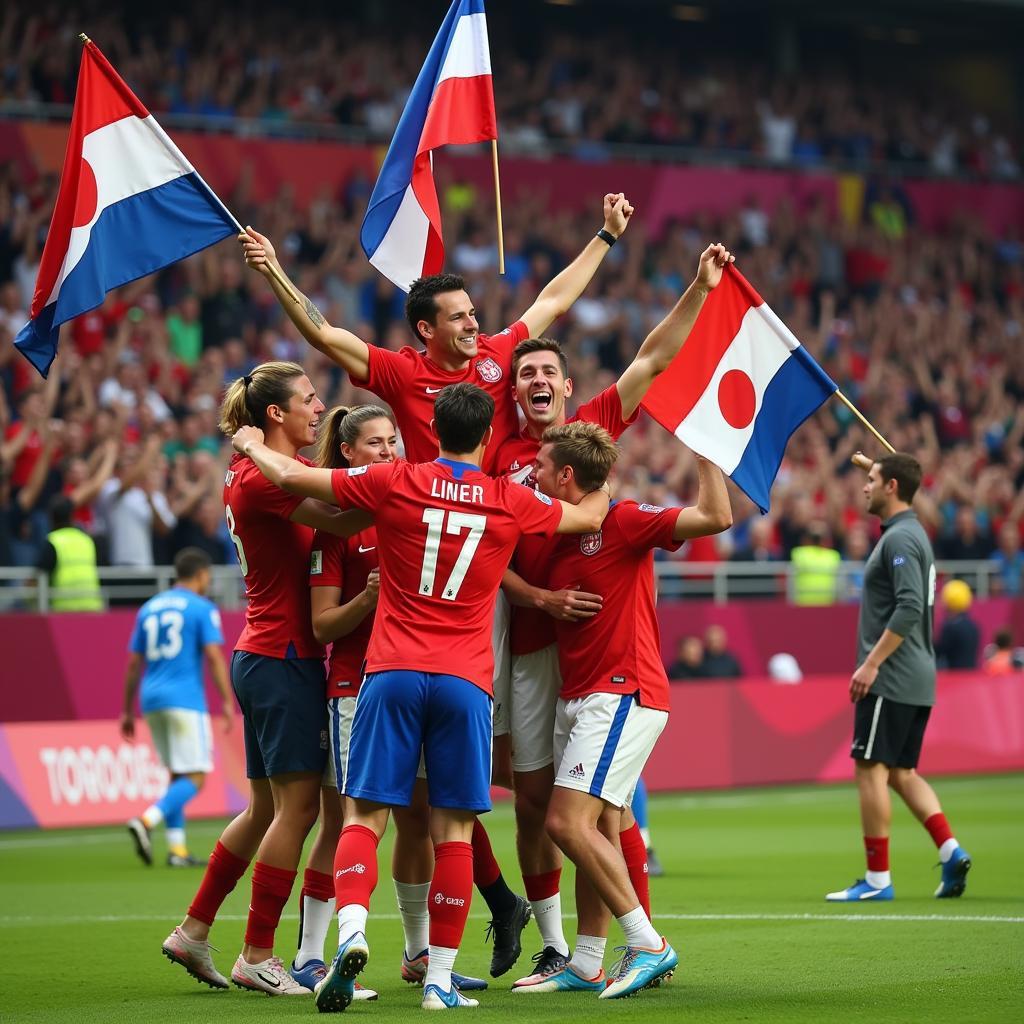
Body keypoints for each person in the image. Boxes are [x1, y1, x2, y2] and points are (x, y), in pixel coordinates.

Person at [240, 195, 634, 943]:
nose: (474, 323)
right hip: (418, 563)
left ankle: (537, 905)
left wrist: (606, 236)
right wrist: (275, 273)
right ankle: (449, 936)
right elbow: (325, 335)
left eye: (473, 313)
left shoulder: (495, 364)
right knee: (429, 791)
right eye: (458, 315)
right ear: (427, 329)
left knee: (477, 777)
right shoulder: (399, 373)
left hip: (487, 560)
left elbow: (553, 300)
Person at [230, 382, 610, 1011]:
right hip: (465, 681)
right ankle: (437, 980)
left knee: (362, 817)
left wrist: (249, 444)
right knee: (453, 831)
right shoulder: (508, 498)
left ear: (432, 431)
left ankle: (350, 935)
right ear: (487, 438)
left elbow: (296, 481)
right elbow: (589, 515)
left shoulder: (394, 481)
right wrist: (599, 467)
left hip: (390, 673)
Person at [495, 242, 734, 984]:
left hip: (604, 671)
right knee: (537, 806)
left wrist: (697, 288)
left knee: (583, 813)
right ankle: (573, 950)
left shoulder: (599, 468)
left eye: (546, 372)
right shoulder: (495, 454)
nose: (536, 379)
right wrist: (534, 595)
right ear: (513, 391)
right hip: (526, 641)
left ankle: (627, 943)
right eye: (524, 372)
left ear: (567, 387)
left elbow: (653, 360)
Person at [162, 361, 366, 996]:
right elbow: (346, 518)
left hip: (262, 652)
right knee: (300, 808)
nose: (318, 408)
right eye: (308, 400)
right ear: (274, 414)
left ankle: (194, 931)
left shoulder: (255, 472)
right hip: (282, 658)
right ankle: (258, 952)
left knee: (264, 809)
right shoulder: (266, 477)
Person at [529, 422, 732, 999]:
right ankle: (587, 959)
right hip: (579, 695)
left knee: (565, 823)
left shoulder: (623, 521)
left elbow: (714, 518)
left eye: (542, 468)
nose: (533, 475)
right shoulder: (557, 531)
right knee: (595, 826)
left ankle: (647, 943)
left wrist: (707, 455)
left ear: (566, 475)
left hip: (622, 691)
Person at [289, 404, 485, 999]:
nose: (387, 451)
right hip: (358, 687)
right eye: (374, 443)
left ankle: (419, 952)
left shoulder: (408, 507)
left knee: (417, 823)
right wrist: (370, 600)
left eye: (392, 441)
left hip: (410, 681)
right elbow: (323, 627)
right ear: (348, 454)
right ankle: (310, 955)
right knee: (343, 820)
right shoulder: (340, 529)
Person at [827, 453, 972, 903]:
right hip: (917, 675)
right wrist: (888, 470)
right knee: (902, 773)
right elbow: (899, 484)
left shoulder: (901, 540)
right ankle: (950, 851)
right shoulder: (910, 532)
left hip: (890, 676)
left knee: (870, 769)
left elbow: (909, 606)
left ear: (892, 488)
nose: (864, 486)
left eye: (871, 480)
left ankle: (876, 879)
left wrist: (871, 663)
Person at [122, 548, 232, 867]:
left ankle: (177, 850)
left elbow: (132, 663)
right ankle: (146, 821)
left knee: (177, 773)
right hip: (184, 700)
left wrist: (127, 710)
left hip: (150, 697)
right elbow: (213, 657)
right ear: (201, 575)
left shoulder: (149, 608)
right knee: (196, 776)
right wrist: (226, 700)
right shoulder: (202, 608)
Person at [36, 494, 103, 611]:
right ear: (72, 516)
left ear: (51, 518)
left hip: (65, 611)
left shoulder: (52, 541)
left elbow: (39, 576)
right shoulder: (87, 540)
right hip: (92, 608)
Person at [790, 523, 841, 605]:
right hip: (826, 603)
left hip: (804, 602)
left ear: (806, 539)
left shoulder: (798, 553)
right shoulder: (833, 556)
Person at [934, 579, 980, 670]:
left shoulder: (949, 627)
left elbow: (938, 653)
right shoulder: (974, 627)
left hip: (953, 677)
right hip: (971, 675)